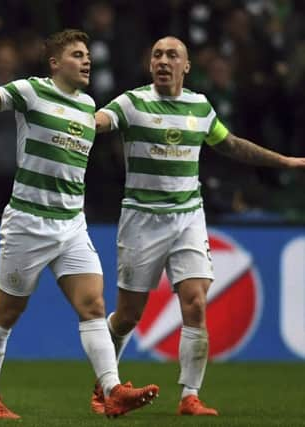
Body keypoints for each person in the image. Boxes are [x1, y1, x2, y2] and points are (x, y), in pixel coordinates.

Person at [0, 29, 160, 419]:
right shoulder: (32, 92)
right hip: (29, 222)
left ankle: (112, 390)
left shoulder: (88, 105)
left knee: (93, 305)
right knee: (6, 314)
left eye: (88, 54)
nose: (86, 60)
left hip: (72, 224)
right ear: (55, 63)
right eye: (77, 55)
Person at [92, 36, 305, 416]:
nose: (163, 60)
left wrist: (285, 161)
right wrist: (78, 118)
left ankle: (190, 395)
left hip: (188, 216)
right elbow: (101, 121)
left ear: (186, 66)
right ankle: (104, 383)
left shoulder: (200, 107)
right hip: (142, 219)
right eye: (156, 54)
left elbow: (233, 145)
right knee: (128, 316)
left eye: (172, 55)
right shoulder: (132, 102)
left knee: (195, 304)